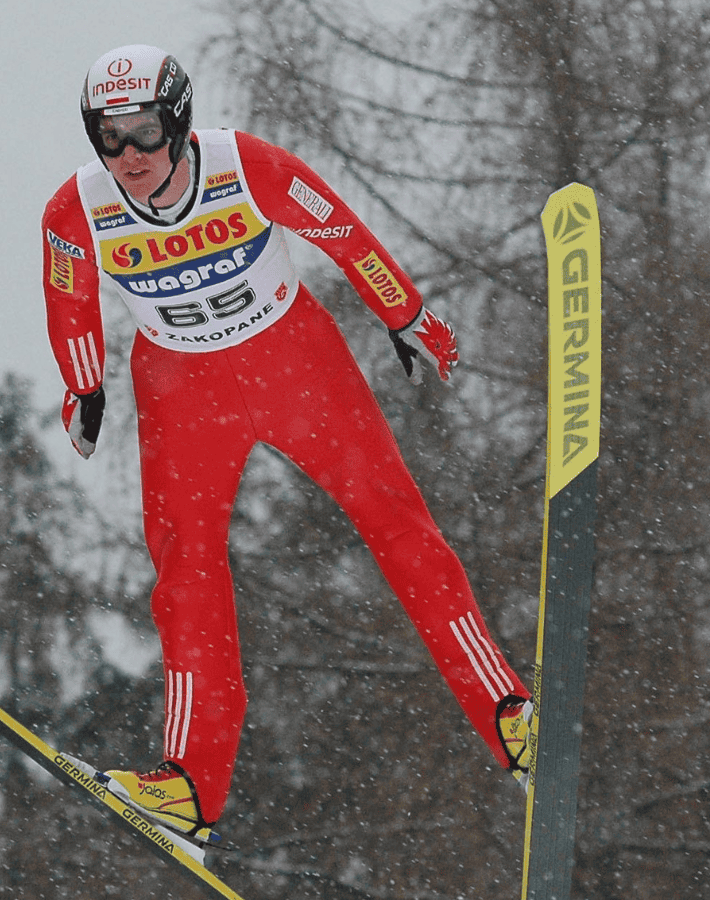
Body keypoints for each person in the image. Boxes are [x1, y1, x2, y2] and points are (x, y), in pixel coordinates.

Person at [40, 44, 533, 846]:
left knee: (395, 521)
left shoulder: (248, 165)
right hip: (180, 388)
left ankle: (510, 715)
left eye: (144, 132)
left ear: (180, 120)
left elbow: (347, 236)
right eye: (108, 136)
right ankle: (189, 786)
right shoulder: (76, 211)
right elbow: (69, 301)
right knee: (186, 570)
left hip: (293, 361)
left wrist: (406, 316)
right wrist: (85, 385)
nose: (128, 155)